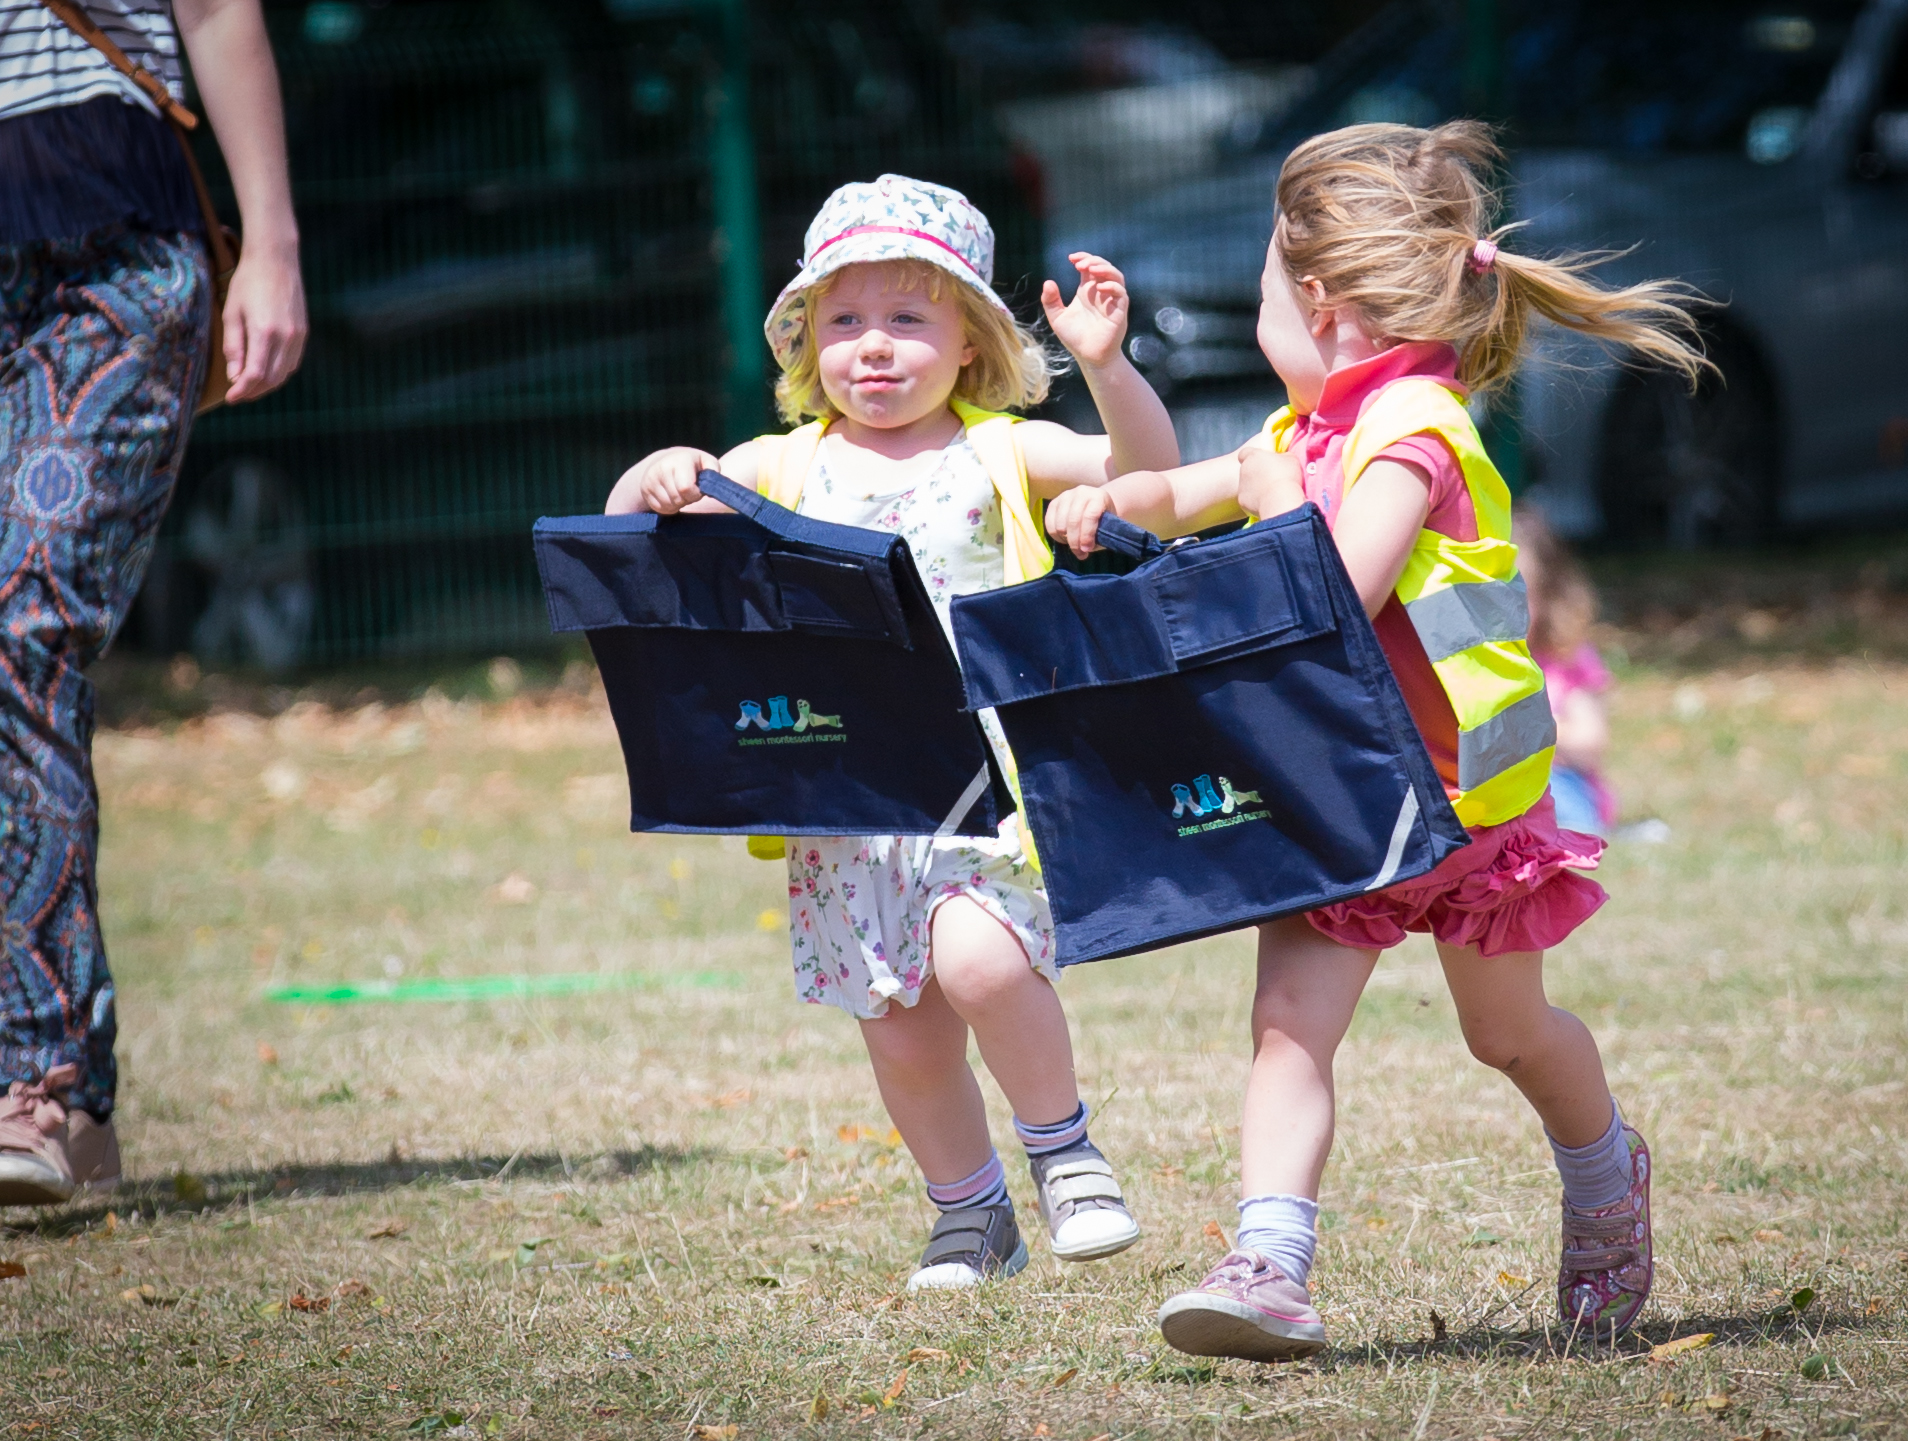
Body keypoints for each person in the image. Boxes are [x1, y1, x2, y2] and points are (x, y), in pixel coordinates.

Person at [1046, 120, 1706, 1357]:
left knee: (1505, 1033)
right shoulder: (1305, 431)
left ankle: (1608, 1173)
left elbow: (1338, 590)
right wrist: (1107, 501)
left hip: (1457, 806)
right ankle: (1271, 1267)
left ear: (1316, 302)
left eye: (1257, 299)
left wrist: (1255, 511)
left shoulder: (1414, 428)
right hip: (1341, 796)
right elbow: (1180, 492)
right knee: (1289, 1024)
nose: (1258, 323)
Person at [606, 175, 1181, 1289]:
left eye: (908, 319)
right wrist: (657, 476)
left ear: (970, 342)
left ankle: (1065, 1153)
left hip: (988, 779)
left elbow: (1144, 471)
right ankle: (969, 1213)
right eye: (843, 321)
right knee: (901, 1025)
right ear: (806, 341)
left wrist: (1107, 367)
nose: (872, 348)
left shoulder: (1003, 452)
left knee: (978, 961)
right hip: (846, 794)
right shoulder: (782, 467)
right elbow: (633, 539)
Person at [0, 0, 306, 1204]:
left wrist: (271, 241)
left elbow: (218, 5)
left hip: (110, 245)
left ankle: (44, 1083)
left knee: (20, 630)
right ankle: (59, 1078)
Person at [1516, 507, 1616, 837]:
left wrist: (1527, 723)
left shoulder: (1566, 658)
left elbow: (1590, 742)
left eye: (1520, 595)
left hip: (1559, 785)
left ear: (1549, 596)